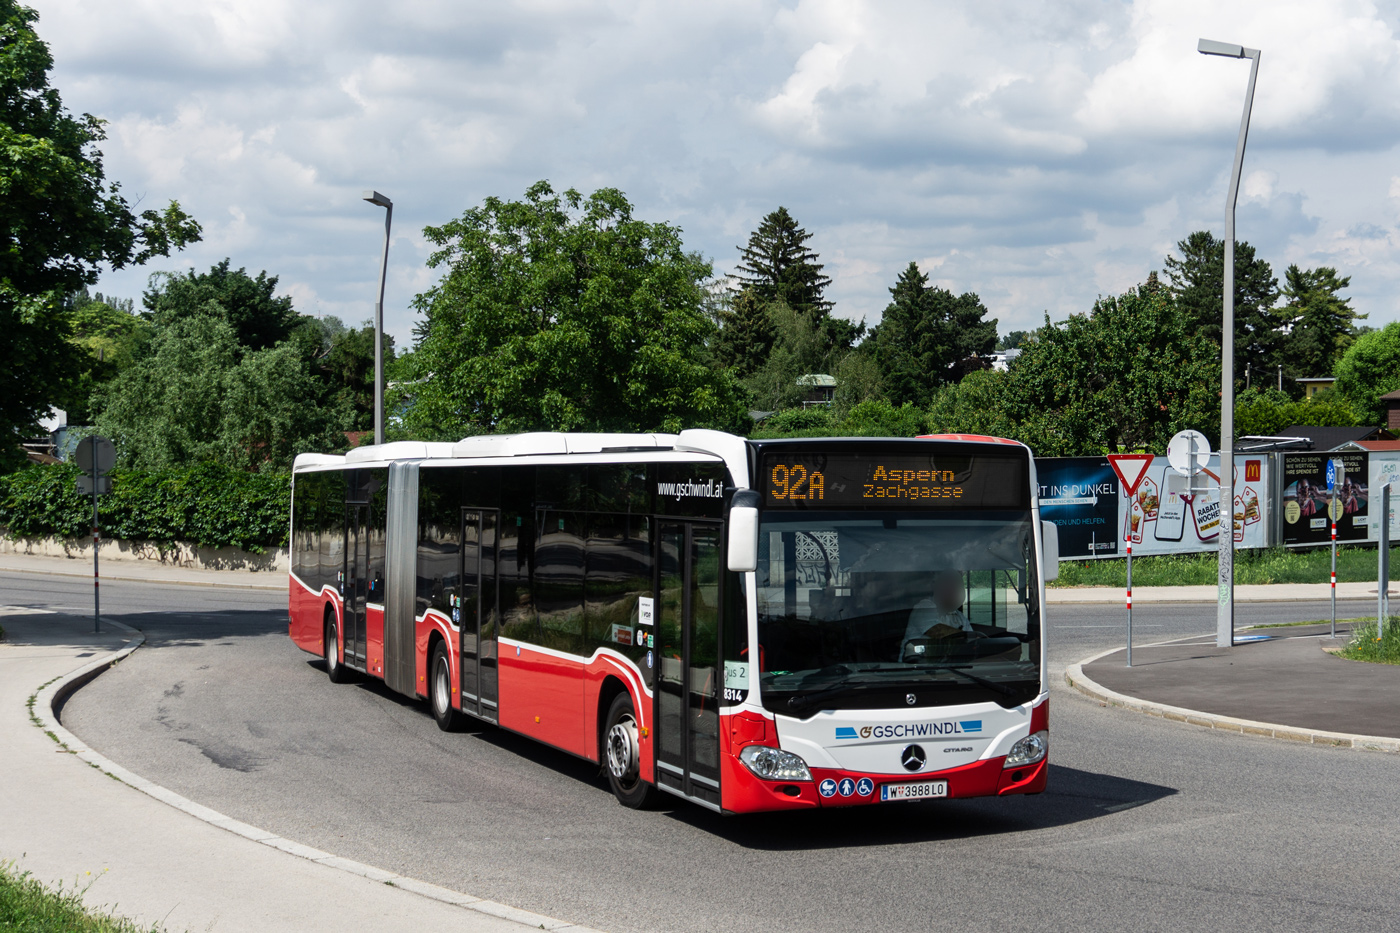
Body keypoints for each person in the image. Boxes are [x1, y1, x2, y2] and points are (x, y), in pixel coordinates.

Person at [900, 570, 980, 659]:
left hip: (949, 664)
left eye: (956, 588)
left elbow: (972, 642)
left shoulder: (960, 617)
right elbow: (938, 632)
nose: (953, 592)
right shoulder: (924, 607)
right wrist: (970, 638)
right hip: (915, 665)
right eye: (948, 587)